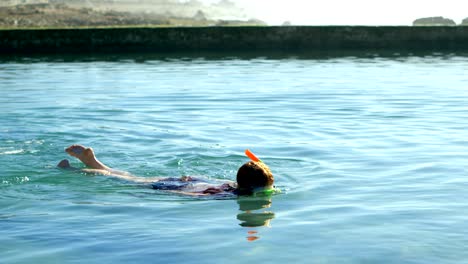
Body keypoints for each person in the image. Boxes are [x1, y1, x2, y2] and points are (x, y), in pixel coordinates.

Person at [57, 144, 277, 197]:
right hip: (175, 186)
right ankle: (73, 171)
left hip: (183, 180)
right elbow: (199, 195)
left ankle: (93, 162)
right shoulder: (229, 195)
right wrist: (173, 192)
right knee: (128, 181)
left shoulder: (233, 185)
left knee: (131, 177)